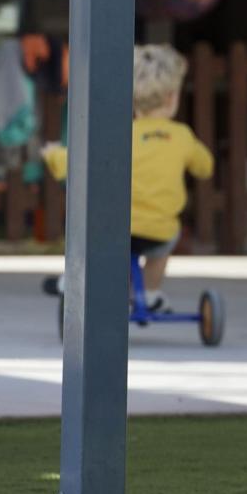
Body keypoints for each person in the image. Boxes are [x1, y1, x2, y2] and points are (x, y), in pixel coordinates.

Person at [43, 44, 213, 311]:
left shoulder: (117, 134)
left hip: (114, 228)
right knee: (168, 237)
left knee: (91, 232)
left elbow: (70, 163)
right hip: (158, 232)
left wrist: (51, 153)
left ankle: (78, 281)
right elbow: (205, 167)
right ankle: (150, 292)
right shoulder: (181, 136)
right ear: (172, 98)